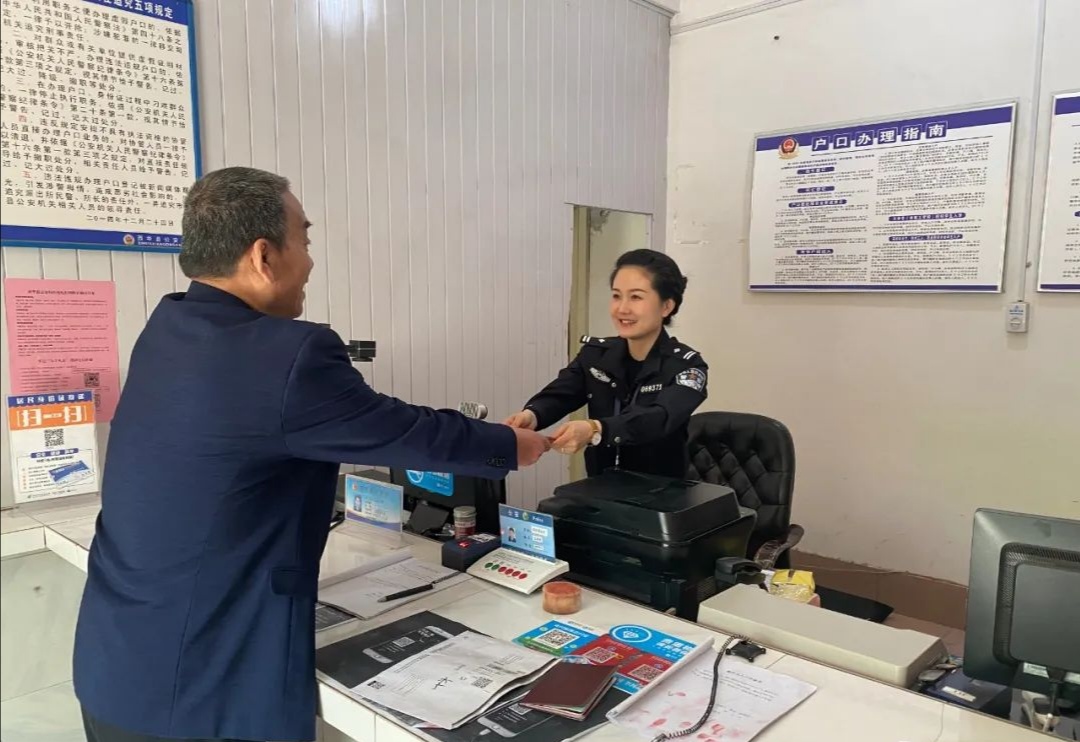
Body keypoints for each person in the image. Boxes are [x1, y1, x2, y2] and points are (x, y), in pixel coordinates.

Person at [72, 167, 550, 742]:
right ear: (263, 256)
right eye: (304, 239)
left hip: (115, 664)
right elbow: (400, 430)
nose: (310, 261)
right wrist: (513, 445)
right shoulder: (286, 355)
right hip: (205, 688)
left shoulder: (168, 327)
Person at [505, 249, 707, 479]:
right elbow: (561, 394)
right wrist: (532, 416)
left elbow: (659, 417)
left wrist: (596, 429)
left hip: (662, 493)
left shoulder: (686, 367)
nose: (622, 309)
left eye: (636, 297)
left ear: (666, 307)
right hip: (600, 488)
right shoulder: (597, 355)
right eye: (616, 296)